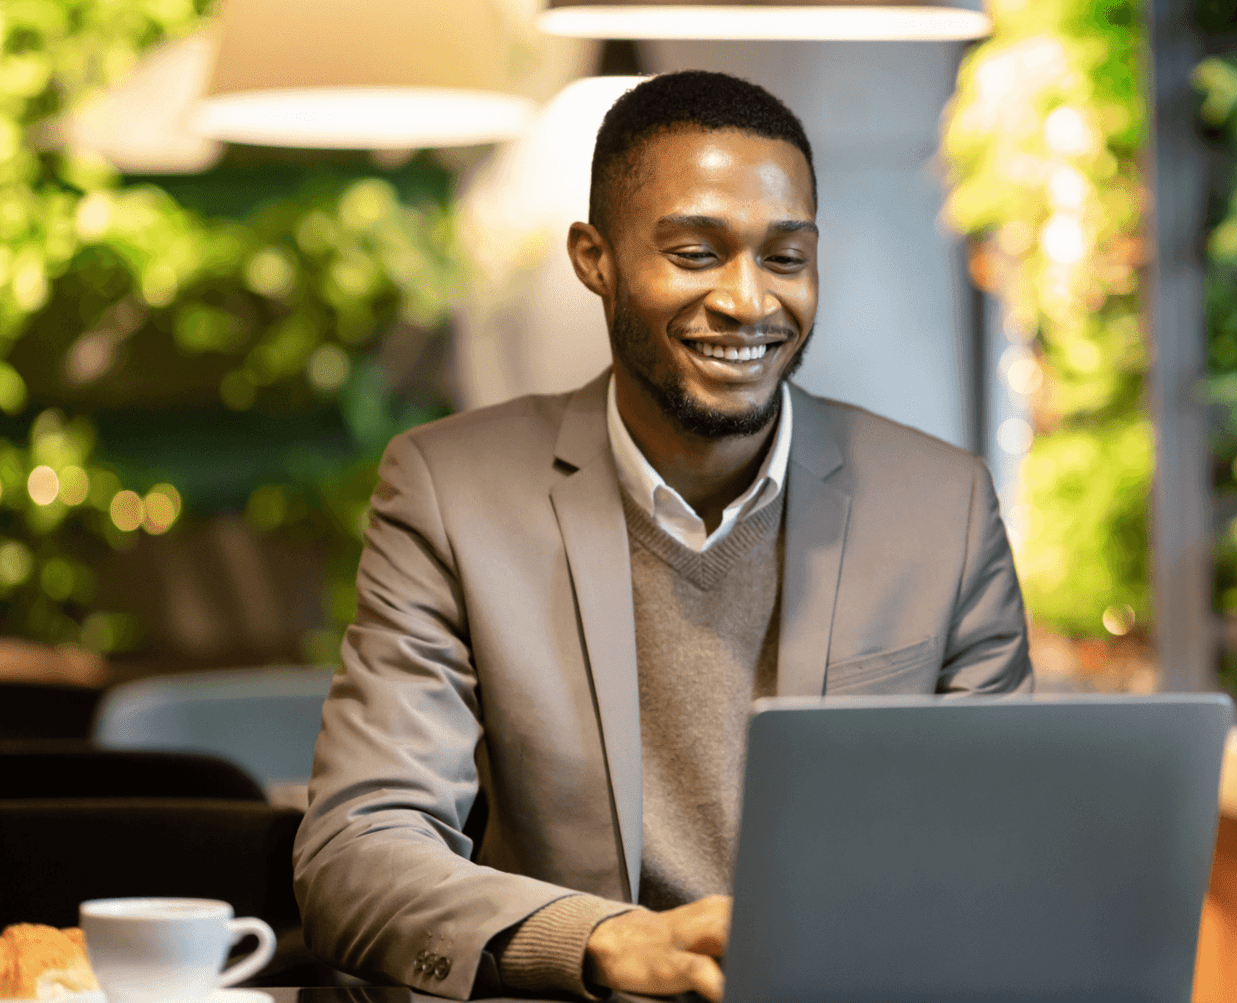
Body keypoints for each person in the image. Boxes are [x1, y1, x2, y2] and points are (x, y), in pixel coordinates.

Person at [293, 70, 1033, 1002]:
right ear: (594, 258)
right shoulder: (451, 491)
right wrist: (599, 940)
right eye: (695, 253)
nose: (748, 301)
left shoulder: (944, 505)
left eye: (785, 257)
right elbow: (357, 848)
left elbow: (1006, 849)